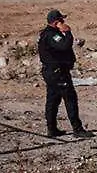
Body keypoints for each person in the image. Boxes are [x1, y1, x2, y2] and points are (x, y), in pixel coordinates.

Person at [38, 9, 89, 137]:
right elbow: (65, 45)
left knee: (53, 100)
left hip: (53, 72)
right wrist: (67, 32)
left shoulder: (48, 34)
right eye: (61, 20)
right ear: (56, 22)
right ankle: (77, 129)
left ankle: (52, 129)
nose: (64, 22)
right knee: (70, 99)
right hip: (57, 73)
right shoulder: (52, 35)